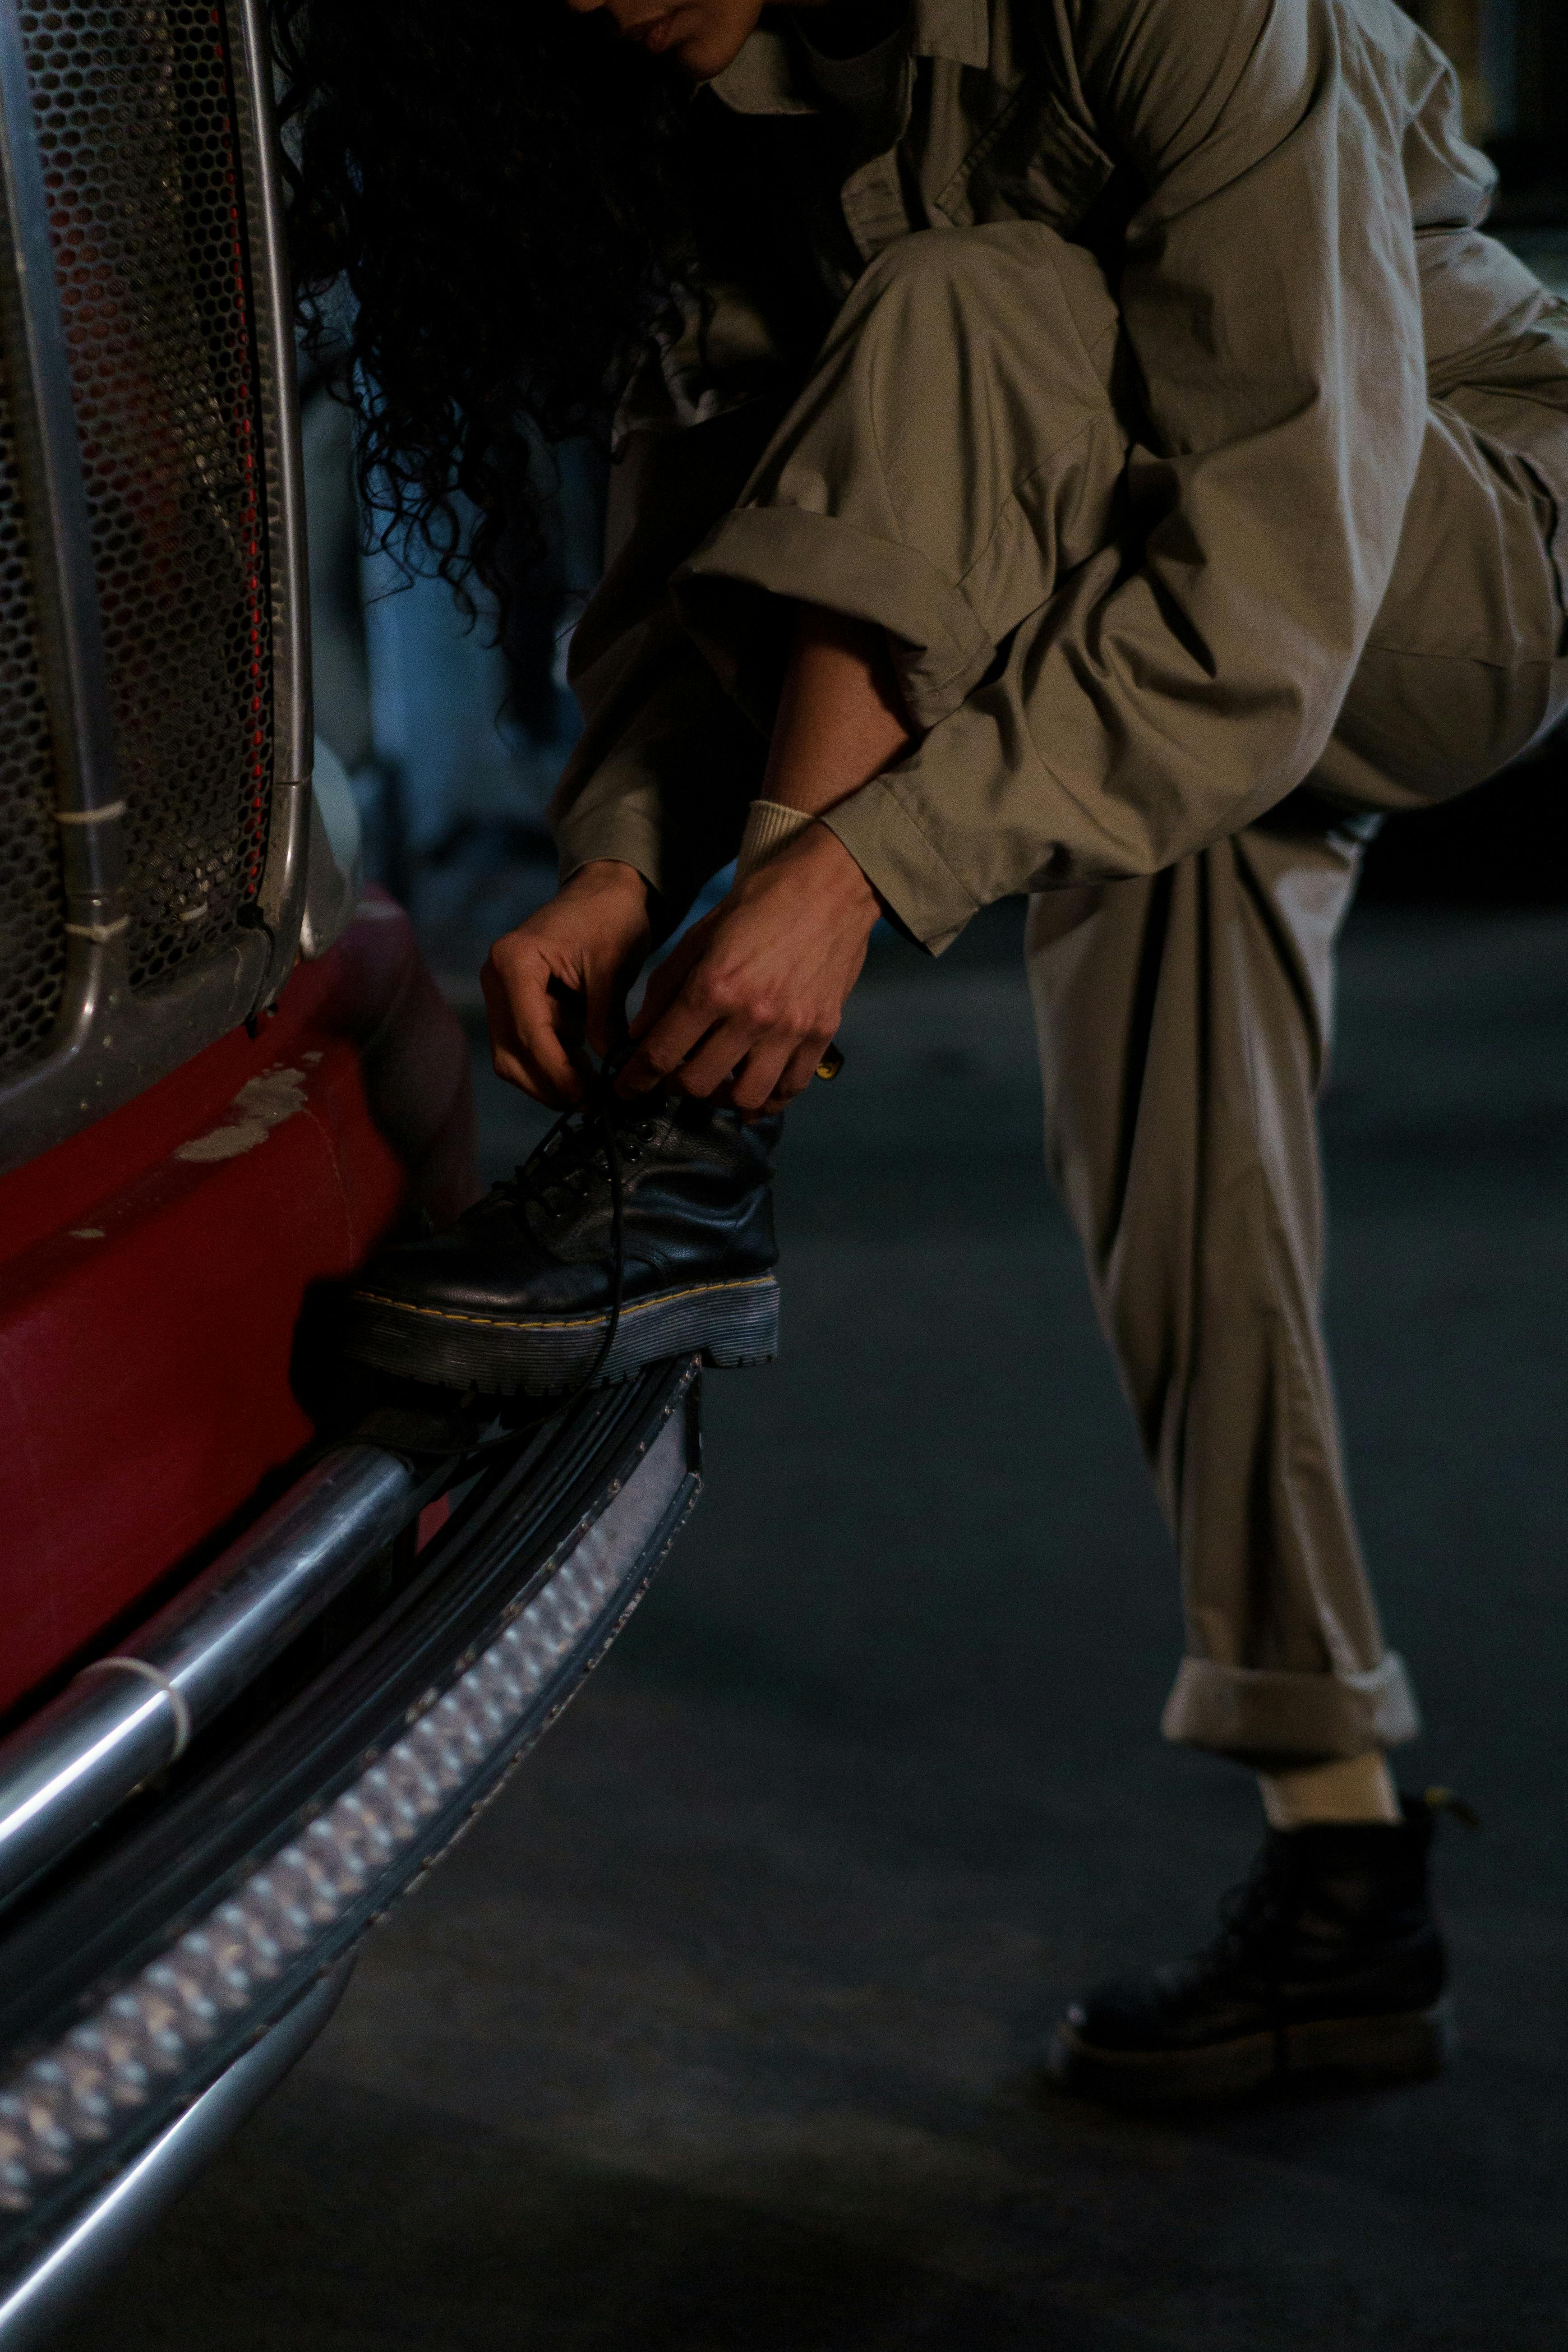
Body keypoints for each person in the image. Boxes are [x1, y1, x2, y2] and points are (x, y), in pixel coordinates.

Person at [280, 0, 1568, 2102]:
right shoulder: (690, 93)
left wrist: (839, 878)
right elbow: (704, 485)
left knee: (967, 298)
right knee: (1176, 1186)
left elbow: (1274, 567)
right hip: (1126, 589)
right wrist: (619, 853)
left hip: (1424, 551)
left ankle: (702, 1128)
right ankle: (1343, 1872)